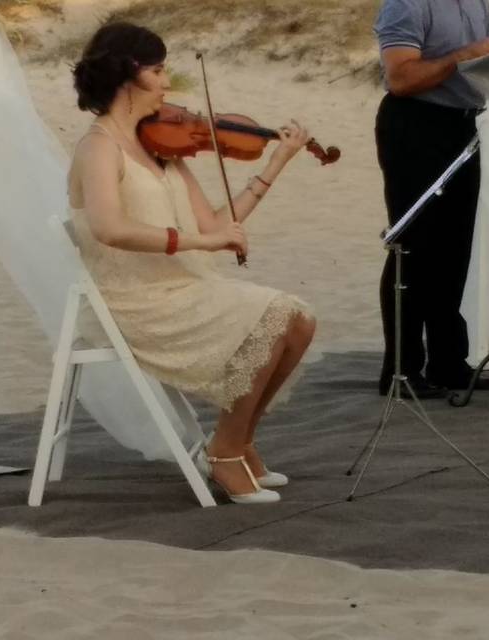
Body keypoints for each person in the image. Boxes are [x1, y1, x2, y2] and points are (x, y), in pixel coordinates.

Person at [68, 22, 316, 505]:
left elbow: (217, 223)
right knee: (277, 313)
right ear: (129, 75)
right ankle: (224, 454)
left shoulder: (162, 149)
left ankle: (236, 440)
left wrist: (276, 162)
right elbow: (108, 228)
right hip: (133, 300)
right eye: (159, 70)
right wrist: (196, 243)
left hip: (180, 286)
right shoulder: (98, 146)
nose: (167, 82)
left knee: (301, 321)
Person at [374, 0, 489, 398]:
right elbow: (400, 78)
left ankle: (449, 362)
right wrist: (462, 56)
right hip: (416, 124)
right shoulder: (407, 4)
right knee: (414, 246)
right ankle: (401, 371)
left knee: (454, 248)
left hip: (463, 127)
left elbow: (482, 64)